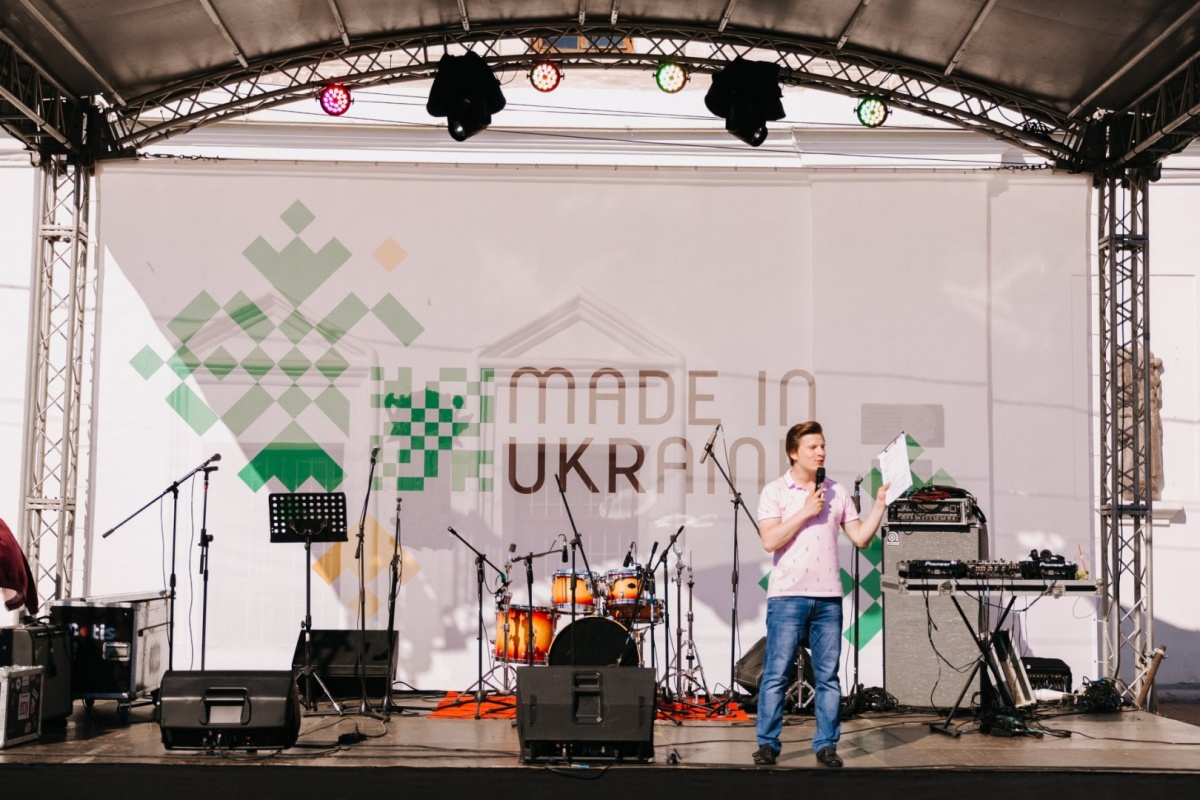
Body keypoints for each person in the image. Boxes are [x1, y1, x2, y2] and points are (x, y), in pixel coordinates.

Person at [752, 421, 888, 767]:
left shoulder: (836, 491)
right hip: (787, 595)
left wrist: (879, 506)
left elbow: (861, 539)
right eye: (812, 447)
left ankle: (826, 744)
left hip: (828, 597)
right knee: (776, 674)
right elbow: (770, 540)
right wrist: (805, 511)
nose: (821, 452)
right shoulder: (775, 491)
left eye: (823, 446)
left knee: (827, 676)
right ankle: (767, 744)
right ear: (793, 453)